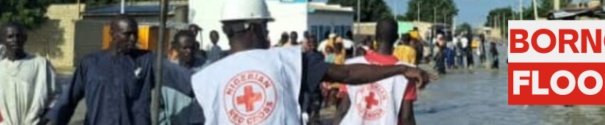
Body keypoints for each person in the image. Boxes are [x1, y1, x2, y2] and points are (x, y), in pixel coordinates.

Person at [192, 1, 433, 124]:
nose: (267, 34)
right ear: (254, 27)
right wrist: (401, 69)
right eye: (265, 27)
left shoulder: (205, 78)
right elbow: (348, 75)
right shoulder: (285, 60)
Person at [48, 15, 159, 125]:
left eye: (135, 34)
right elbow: (69, 99)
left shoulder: (147, 61)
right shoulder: (91, 63)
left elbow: (172, 79)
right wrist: (53, 119)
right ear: (112, 34)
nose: (133, 39)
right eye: (127, 34)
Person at [338, 19, 424, 125]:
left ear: (376, 37)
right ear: (396, 38)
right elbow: (407, 117)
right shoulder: (408, 73)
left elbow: (343, 108)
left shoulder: (352, 65)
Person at [0, 23, 58, 125]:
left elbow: (56, 97)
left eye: (18, 36)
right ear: (3, 40)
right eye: (10, 37)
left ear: (25, 38)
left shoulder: (41, 65)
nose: (15, 40)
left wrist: (43, 120)